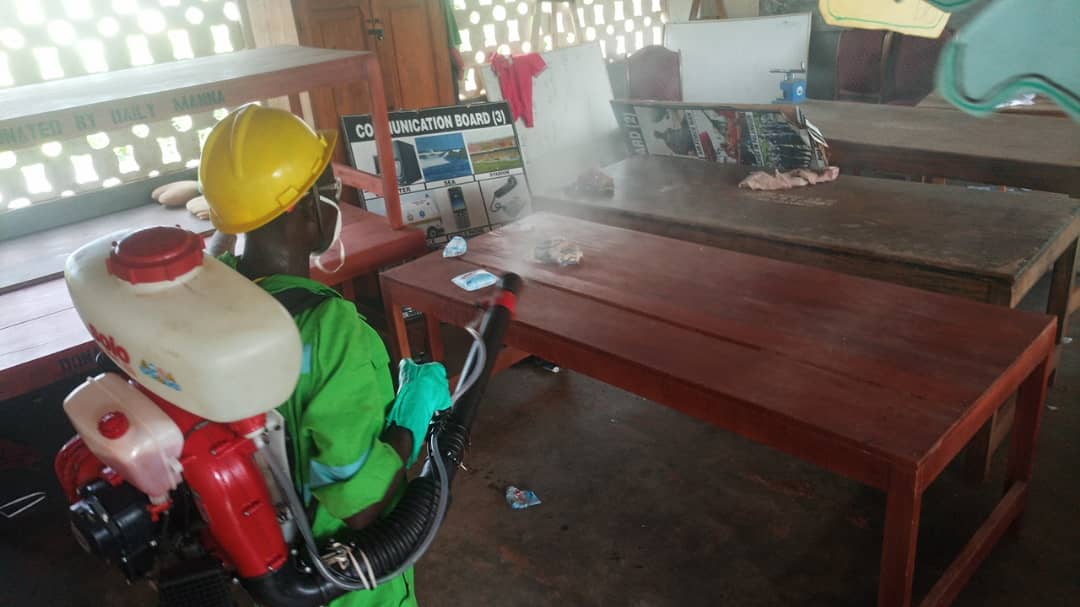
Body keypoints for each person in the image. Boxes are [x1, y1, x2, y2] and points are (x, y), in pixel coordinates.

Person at [199, 104, 450, 607]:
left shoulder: (213, 291)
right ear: (305, 209)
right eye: (324, 190)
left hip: (264, 549)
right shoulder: (331, 328)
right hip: (342, 574)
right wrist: (414, 414)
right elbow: (363, 505)